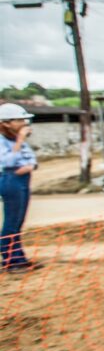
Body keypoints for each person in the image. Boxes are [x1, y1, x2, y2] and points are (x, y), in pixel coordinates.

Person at [0, 103, 42, 273]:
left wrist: (30, 166)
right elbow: (7, 162)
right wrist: (20, 140)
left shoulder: (15, 139)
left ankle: (19, 257)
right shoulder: (4, 140)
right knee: (11, 221)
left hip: (22, 178)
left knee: (18, 220)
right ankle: (11, 261)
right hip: (9, 179)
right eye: (20, 120)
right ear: (6, 123)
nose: (24, 123)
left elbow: (30, 159)